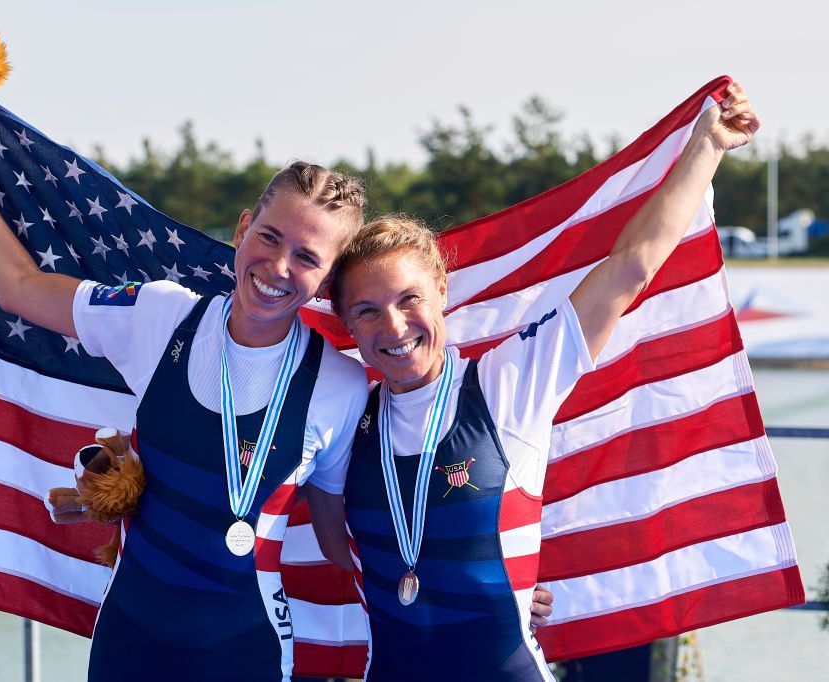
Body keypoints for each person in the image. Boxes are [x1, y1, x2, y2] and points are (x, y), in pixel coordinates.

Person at [0, 79, 556, 680]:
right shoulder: (160, 316)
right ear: (240, 230)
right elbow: (16, 287)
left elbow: (346, 538)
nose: (279, 266)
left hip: (248, 652)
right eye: (269, 237)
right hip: (129, 642)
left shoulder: (339, 387)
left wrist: (471, 591)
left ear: (326, 281)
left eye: (309, 258)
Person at [320, 84, 759, 681]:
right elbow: (331, 539)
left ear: (442, 294)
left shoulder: (508, 384)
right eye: (367, 310)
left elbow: (629, 267)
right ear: (346, 321)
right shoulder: (344, 413)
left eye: (409, 299)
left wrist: (706, 147)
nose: (393, 326)